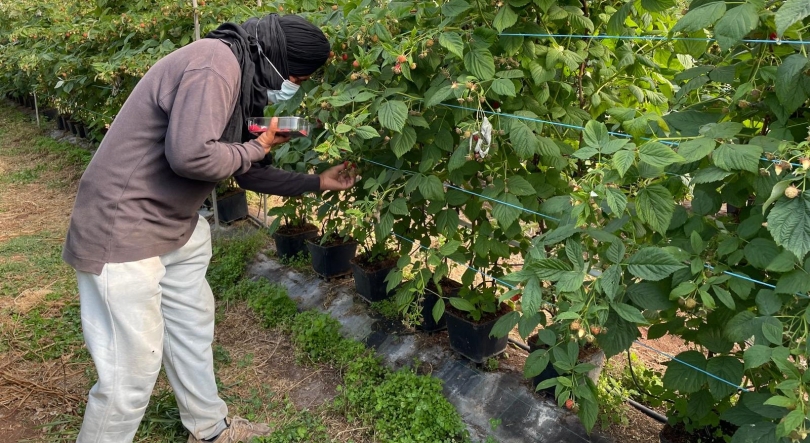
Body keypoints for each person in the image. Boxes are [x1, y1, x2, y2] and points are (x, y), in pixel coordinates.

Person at [61, 14, 353, 443]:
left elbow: (247, 171)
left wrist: (318, 182)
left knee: (192, 331)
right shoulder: (215, 63)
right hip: (123, 229)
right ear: (274, 56)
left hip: (175, 225)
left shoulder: (242, 77)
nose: (293, 85)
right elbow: (190, 156)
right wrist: (257, 146)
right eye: (295, 76)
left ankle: (210, 428)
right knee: (131, 370)